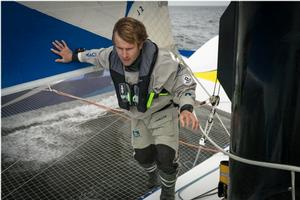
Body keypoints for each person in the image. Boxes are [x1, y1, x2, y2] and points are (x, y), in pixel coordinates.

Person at [51, 17, 199, 200]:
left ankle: (168, 191)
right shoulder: (112, 55)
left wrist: (186, 108)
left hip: (162, 114)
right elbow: (94, 56)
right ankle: (153, 175)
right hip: (137, 116)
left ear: (141, 44)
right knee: (143, 157)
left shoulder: (162, 62)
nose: (124, 55)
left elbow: (184, 84)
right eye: (119, 48)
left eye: (129, 48)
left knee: (166, 157)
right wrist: (72, 56)